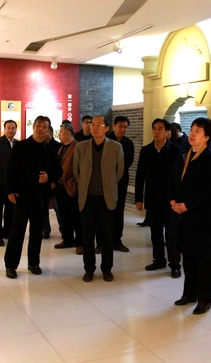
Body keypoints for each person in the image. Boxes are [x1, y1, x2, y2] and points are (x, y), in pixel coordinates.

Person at [169, 117, 211, 315]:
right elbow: (172, 181)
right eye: (191, 129)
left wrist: (187, 205)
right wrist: (172, 200)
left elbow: (208, 190)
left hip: (202, 217)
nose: (192, 134)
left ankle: (205, 299)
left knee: (203, 259)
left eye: (197, 131)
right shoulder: (183, 155)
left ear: (207, 137)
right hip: (183, 215)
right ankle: (189, 293)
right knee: (188, 256)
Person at [3, 116, 62, 279]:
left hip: (41, 199)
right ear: (33, 127)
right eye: (38, 125)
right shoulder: (20, 146)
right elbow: (10, 170)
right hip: (22, 198)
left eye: (45, 126)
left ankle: (33, 263)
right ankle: (11, 265)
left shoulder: (50, 151)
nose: (41, 129)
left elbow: (58, 171)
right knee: (17, 232)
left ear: (48, 130)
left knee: (37, 233)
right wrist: (10, 191)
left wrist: (49, 177)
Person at [73, 115, 124, 282]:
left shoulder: (115, 147)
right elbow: (76, 171)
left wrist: (108, 185)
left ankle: (107, 268)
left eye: (99, 125)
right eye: (92, 124)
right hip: (87, 199)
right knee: (87, 237)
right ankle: (89, 269)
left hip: (106, 199)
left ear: (106, 128)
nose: (94, 127)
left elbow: (119, 171)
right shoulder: (81, 147)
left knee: (107, 236)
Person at [135, 119, 182, 277]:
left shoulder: (175, 151)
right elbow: (140, 176)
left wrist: (179, 199)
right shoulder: (146, 150)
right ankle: (159, 260)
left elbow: (179, 178)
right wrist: (138, 198)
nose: (156, 131)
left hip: (171, 200)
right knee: (155, 233)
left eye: (160, 128)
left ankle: (174, 264)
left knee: (172, 234)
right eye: (154, 128)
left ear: (167, 132)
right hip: (152, 198)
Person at [106, 115, 134, 252]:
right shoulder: (106, 141)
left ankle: (117, 240)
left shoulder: (128, 143)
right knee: (105, 212)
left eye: (125, 127)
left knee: (119, 211)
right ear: (114, 126)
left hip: (121, 181)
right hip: (106, 181)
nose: (123, 129)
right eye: (120, 126)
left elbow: (129, 162)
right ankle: (102, 242)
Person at [53, 122, 83, 252]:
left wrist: (76, 185)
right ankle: (68, 239)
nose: (59, 134)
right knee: (64, 215)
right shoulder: (61, 148)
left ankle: (80, 243)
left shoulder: (78, 147)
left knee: (76, 216)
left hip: (71, 187)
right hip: (60, 187)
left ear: (68, 133)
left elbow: (81, 169)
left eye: (61, 132)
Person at [42, 122, 62, 239]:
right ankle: (45, 230)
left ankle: (64, 230)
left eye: (45, 129)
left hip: (55, 182)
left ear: (50, 132)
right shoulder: (40, 146)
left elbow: (59, 167)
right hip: (42, 182)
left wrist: (53, 179)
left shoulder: (58, 146)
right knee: (43, 208)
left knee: (58, 208)